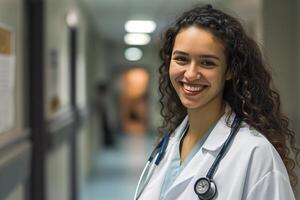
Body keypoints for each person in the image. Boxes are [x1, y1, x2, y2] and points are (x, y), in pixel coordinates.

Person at [134, 4, 299, 200]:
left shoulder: (255, 154)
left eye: (207, 62)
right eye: (181, 59)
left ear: (229, 70)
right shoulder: (169, 143)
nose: (191, 74)